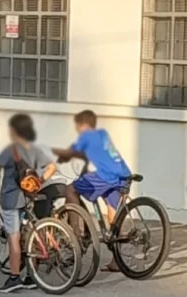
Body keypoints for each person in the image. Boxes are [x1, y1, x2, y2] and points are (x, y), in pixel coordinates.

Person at [0, 114, 57, 293]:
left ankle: (14, 277)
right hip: (28, 197)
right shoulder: (33, 149)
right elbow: (52, 166)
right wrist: (38, 182)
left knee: (14, 237)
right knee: (27, 235)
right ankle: (31, 276)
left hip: (11, 199)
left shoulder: (11, 149)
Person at [53, 109, 132, 272]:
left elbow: (70, 152)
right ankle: (117, 260)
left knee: (71, 189)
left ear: (82, 125)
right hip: (123, 174)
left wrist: (57, 155)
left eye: (77, 126)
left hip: (107, 176)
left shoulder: (86, 136)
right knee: (113, 216)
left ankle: (77, 235)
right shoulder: (102, 134)